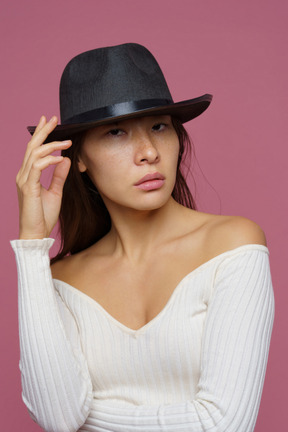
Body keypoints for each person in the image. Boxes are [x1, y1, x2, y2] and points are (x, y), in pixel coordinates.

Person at [11, 43, 274, 432]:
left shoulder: (232, 245)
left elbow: (223, 424)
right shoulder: (62, 281)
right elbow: (56, 417)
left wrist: (89, 417)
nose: (149, 152)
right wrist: (32, 244)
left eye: (159, 126)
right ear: (78, 158)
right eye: (116, 132)